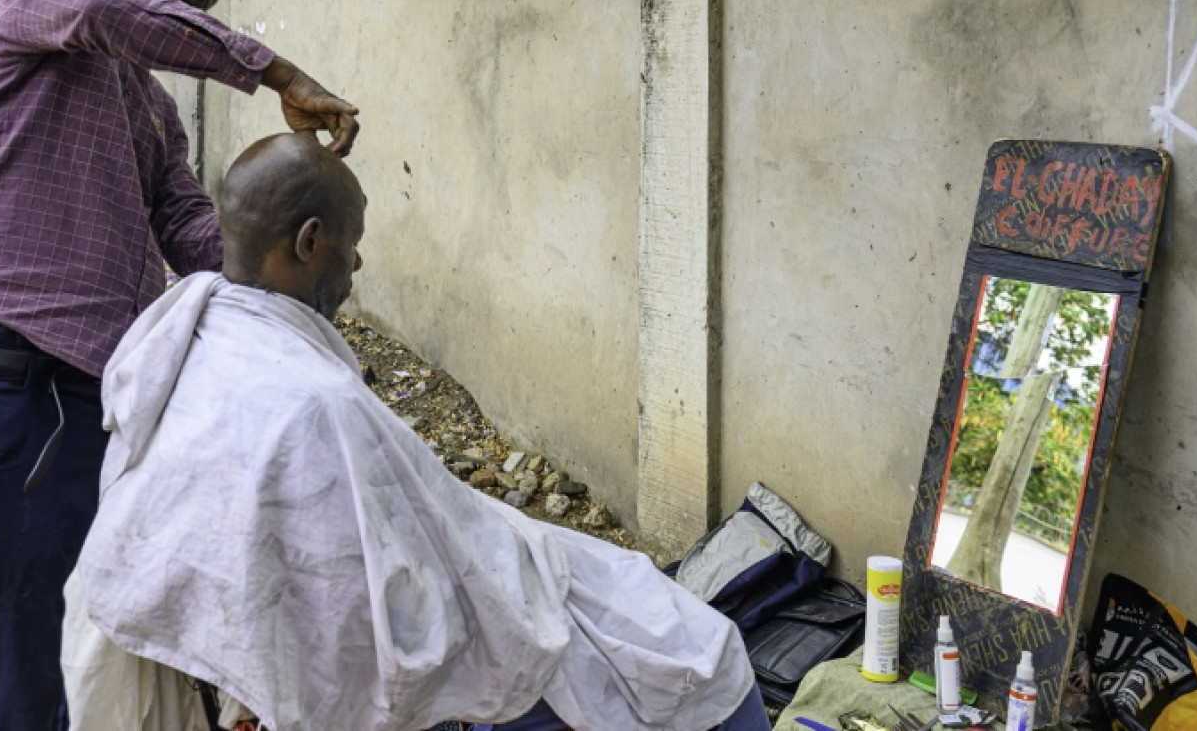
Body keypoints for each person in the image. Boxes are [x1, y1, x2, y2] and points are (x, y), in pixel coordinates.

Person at [61, 133, 771, 731]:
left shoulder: (192, 332)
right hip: (348, 632)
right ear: (310, 242)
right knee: (694, 652)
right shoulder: (313, 404)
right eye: (352, 243)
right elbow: (407, 623)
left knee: (610, 585)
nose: (357, 263)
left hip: (205, 624)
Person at [0, 0, 360, 730]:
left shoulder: (152, 110)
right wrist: (276, 73)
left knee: (97, 666)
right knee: (29, 685)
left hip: (100, 410)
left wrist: (294, 264)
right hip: (10, 397)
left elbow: (191, 227)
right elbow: (105, 9)